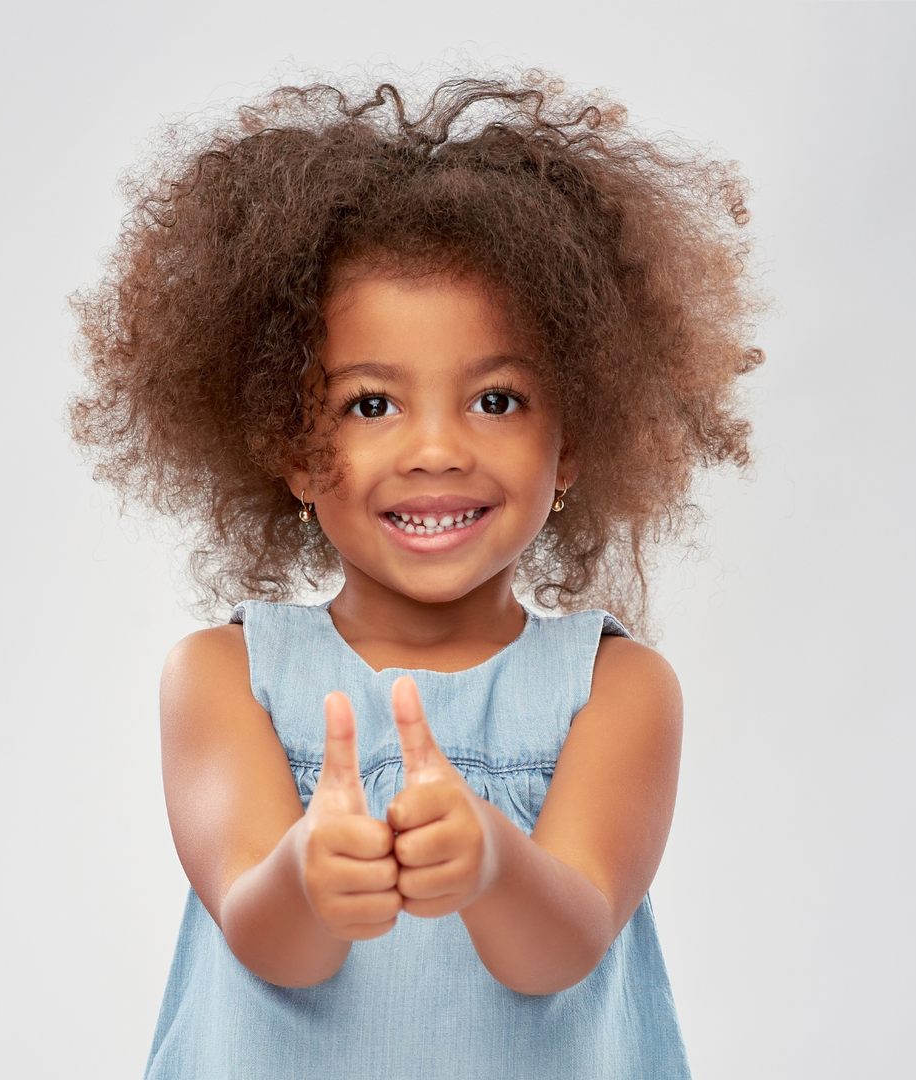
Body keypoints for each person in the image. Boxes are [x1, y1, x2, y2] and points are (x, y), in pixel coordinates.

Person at [71, 72, 764, 1079]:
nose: (436, 450)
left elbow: (562, 946)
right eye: (369, 405)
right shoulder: (227, 679)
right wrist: (307, 879)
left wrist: (491, 860)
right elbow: (268, 939)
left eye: (496, 400)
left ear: (573, 443)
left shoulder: (616, 692)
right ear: (292, 447)